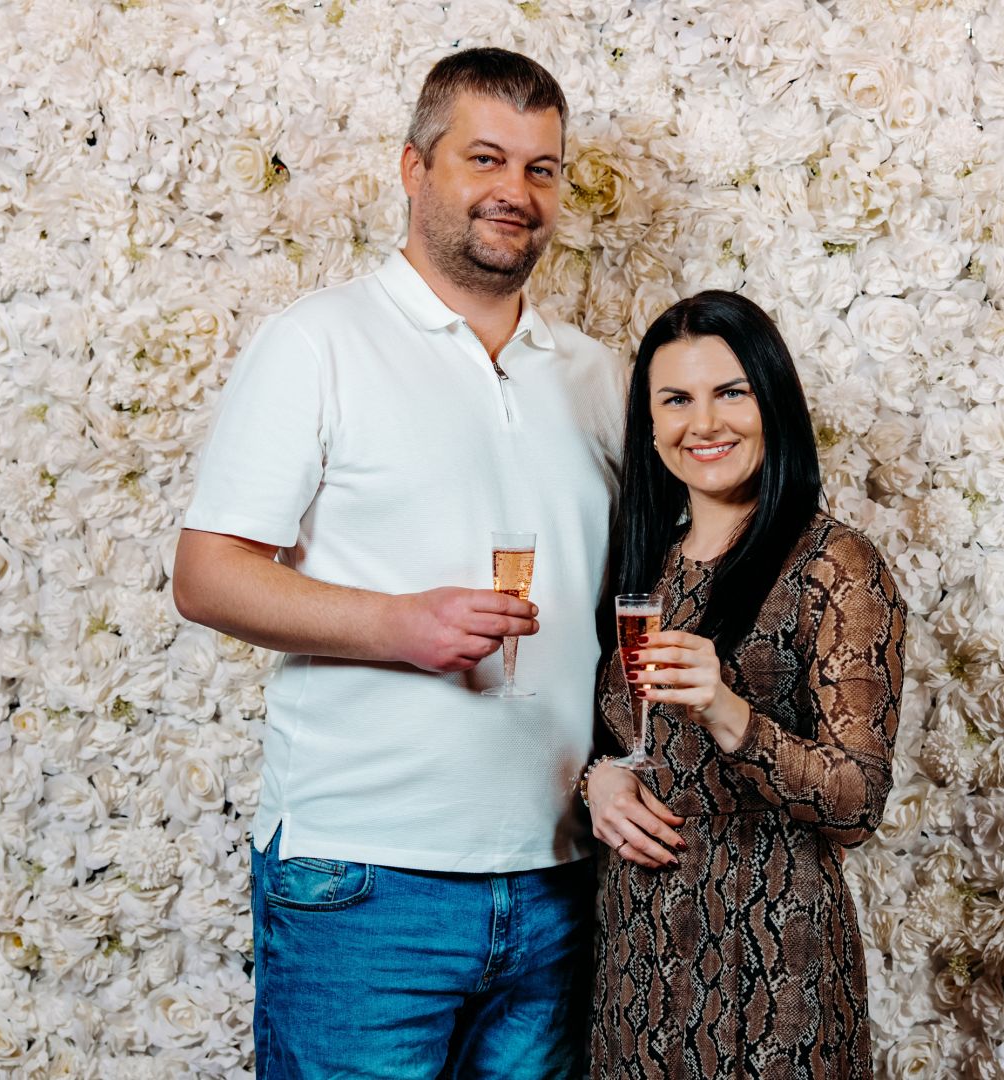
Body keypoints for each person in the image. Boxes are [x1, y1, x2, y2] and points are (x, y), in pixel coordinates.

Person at [173, 48, 622, 1079]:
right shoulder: (318, 342)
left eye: (542, 169)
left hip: (559, 880)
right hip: (364, 884)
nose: (515, 191)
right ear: (415, 168)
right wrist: (398, 624)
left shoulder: (599, 378)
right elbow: (207, 573)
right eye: (485, 158)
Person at [581, 291, 908, 1078]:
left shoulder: (836, 564)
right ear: (649, 423)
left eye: (731, 392)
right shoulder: (643, 565)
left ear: (773, 403)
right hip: (637, 960)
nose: (704, 424)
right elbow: (617, 741)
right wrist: (599, 782)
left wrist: (728, 711)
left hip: (773, 965)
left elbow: (857, 801)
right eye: (676, 400)